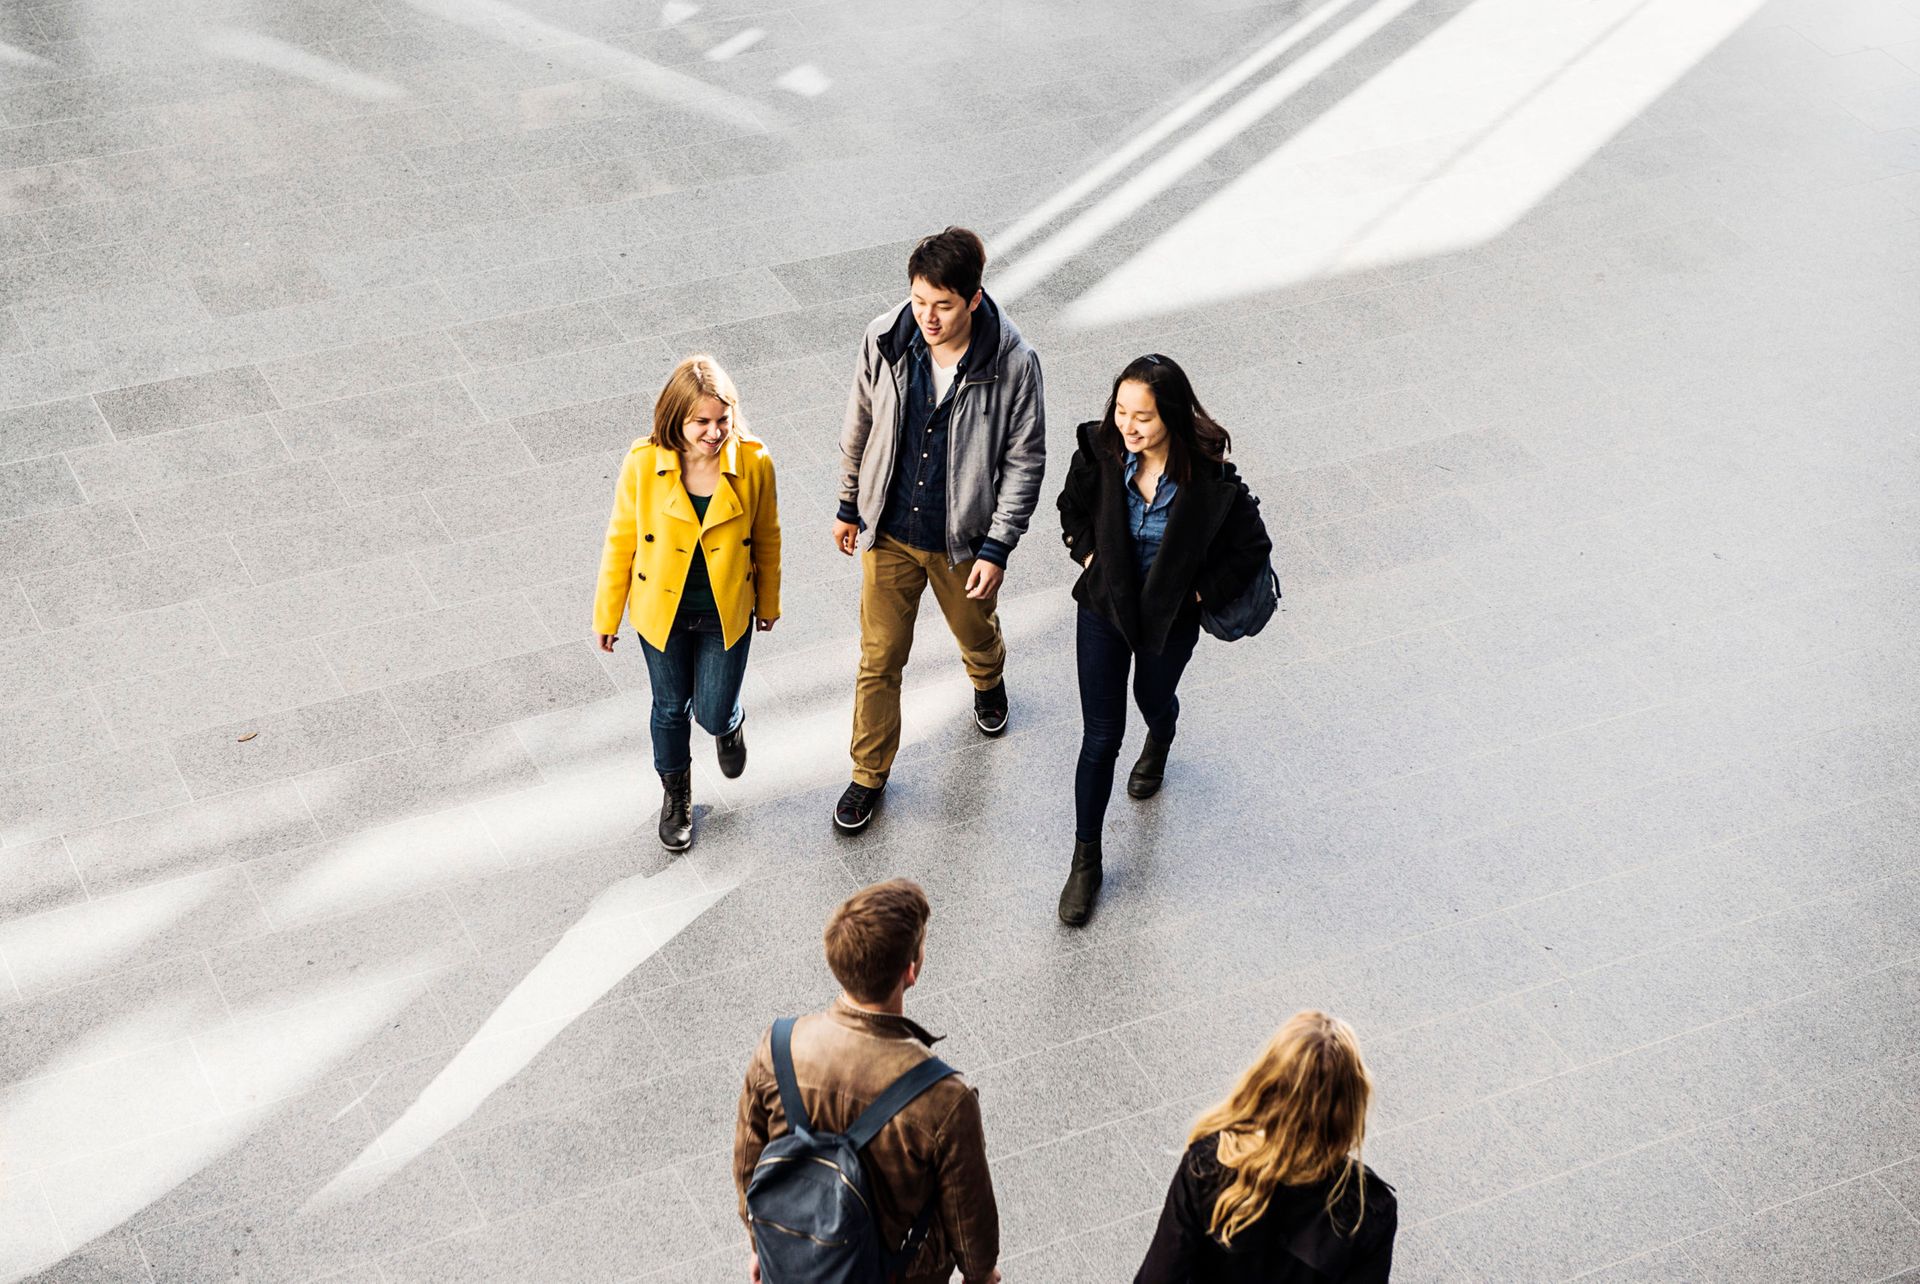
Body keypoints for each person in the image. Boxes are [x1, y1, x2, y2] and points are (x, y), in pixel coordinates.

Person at [829, 227, 1047, 833]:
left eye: (943, 306)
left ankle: (988, 677)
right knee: (879, 657)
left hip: (963, 542)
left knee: (975, 631)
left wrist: (999, 545)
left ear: (974, 299)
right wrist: (850, 505)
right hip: (891, 531)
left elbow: (1025, 461)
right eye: (920, 300)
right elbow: (860, 424)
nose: (927, 316)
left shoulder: (1014, 363)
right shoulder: (884, 338)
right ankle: (867, 775)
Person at [1054, 354, 1271, 925]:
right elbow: (1071, 508)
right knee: (1101, 735)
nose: (1128, 426)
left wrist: (1199, 593)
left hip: (1168, 619)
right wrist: (1089, 554)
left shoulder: (1210, 481)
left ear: (1171, 416)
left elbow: (1254, 549)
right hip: (1104, 608)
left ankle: (1163, 733)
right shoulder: (1100, 453)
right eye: (1122, 411)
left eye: (1142, 417)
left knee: (1152, 700)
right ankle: (1086, 859)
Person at [734, 879, 1001, 1284]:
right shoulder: (945, 1098)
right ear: (910, 972)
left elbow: (748, 1163)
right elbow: (970, 1221)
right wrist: (982, 1276)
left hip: (800, 1262)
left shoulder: (779, 1047)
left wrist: (766, 1244)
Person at [594, 355, 780, 853]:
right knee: (670, 707)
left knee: (713, 712)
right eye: (701, 421)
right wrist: (607, 614)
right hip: (663, 612)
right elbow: (621, 541)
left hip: (725, 610)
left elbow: (767, 537)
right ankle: (676, 796)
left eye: (722, 419)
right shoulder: (643, 464)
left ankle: (729, 726)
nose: (715, 431)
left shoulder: (754, 462)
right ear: (675, 417)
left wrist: (769, 601)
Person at [1135, 1010, 1396, 1283]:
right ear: (1351, 1107)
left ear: (1266, 1082)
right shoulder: (1367, 1211)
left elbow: (1159, 1276)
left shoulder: (1212, 1164)